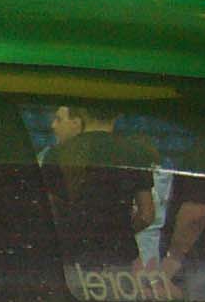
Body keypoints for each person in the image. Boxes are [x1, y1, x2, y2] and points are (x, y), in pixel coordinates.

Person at [42, 102, 158, 273]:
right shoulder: (135, 153)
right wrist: (117, 234)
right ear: (117, 115)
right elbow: (146, 215)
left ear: (82, 112)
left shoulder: (58, 153)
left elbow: (49, 210)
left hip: (72, 257)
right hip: (120, 259)